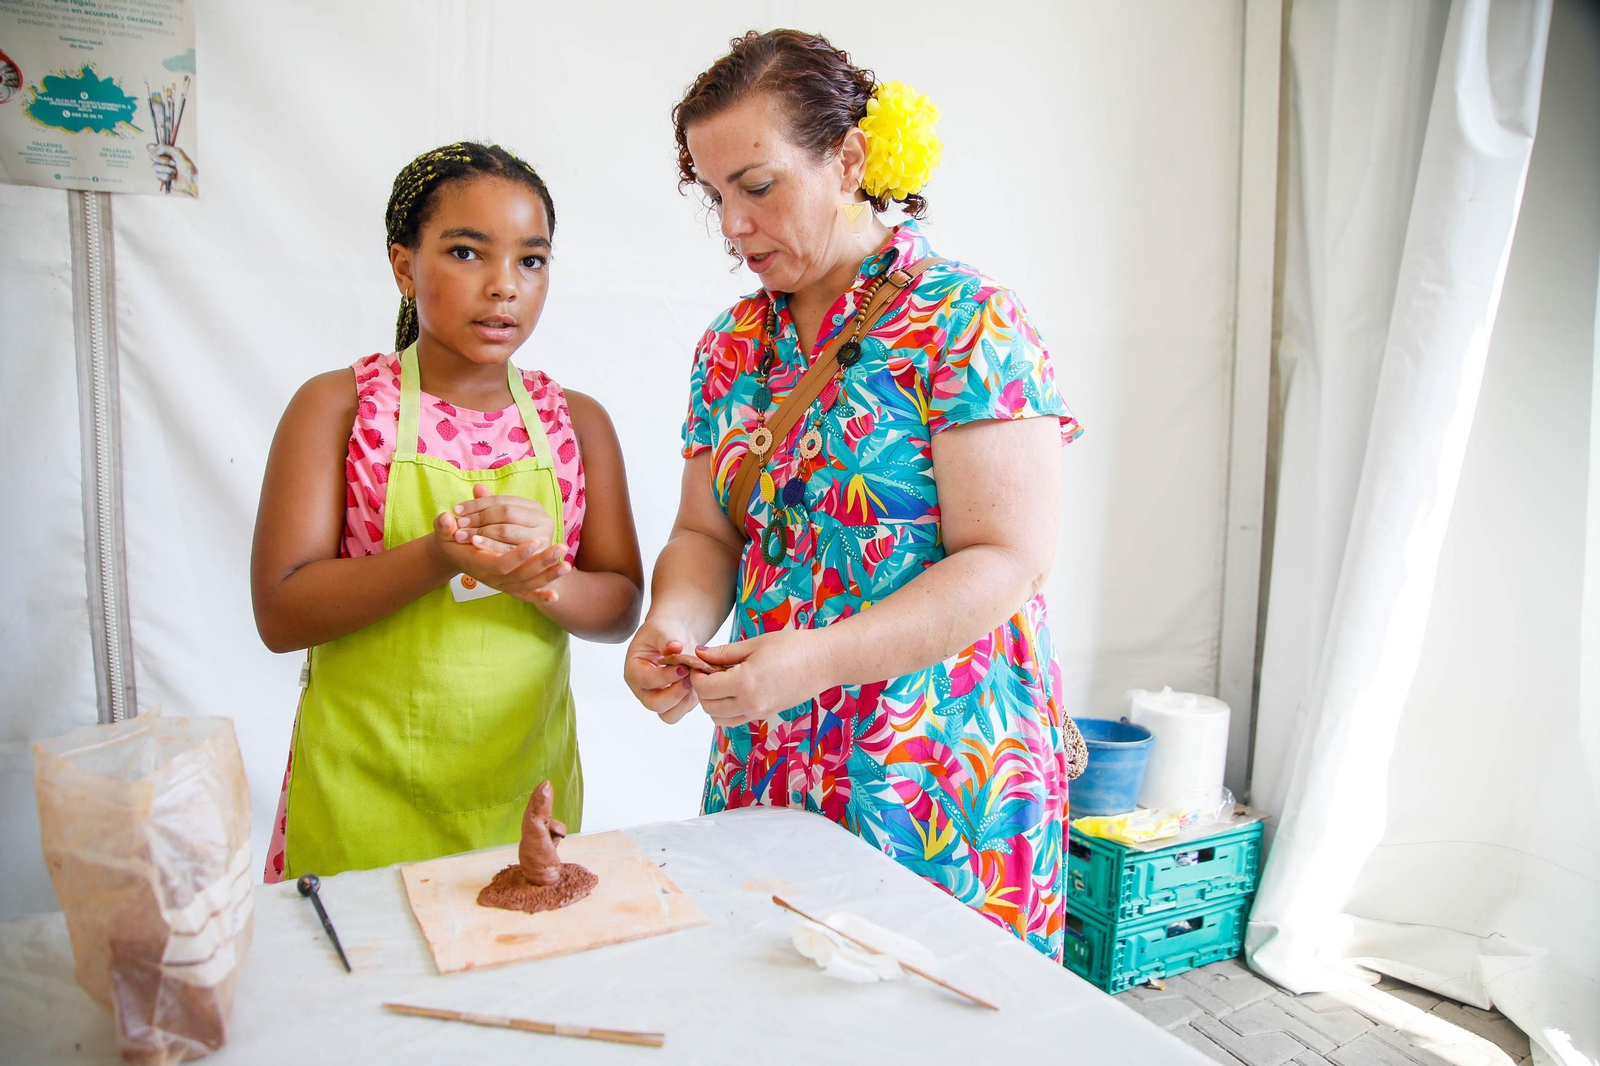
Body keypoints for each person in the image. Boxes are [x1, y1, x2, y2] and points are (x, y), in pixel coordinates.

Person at [623, 30, 1087, 960]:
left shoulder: (963, 319)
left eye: (758, 187)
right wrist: (671, 624)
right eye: (716, 197)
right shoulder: (729, 347)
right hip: (770, 748)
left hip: (942, 769)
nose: (734, 226)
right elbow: (705, 533)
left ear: (849, 159)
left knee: (934, 1016)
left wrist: (824, 658)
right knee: (771, 1007)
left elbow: (1008, 557)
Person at [252, 141, 643, 880]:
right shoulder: (339, 407)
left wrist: (541, 578)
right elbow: (281, 612)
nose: (504, 287)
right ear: (403, 265)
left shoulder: (576, 422)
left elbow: (620, 603)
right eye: (467, 253)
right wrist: (434, 559)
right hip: (359, 795)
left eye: (532, 260)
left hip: (519, 791)